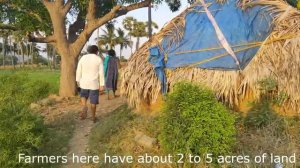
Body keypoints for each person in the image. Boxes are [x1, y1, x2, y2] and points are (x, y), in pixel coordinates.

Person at [76, 45, 104, 123]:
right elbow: (101, 73)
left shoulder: (83, 58)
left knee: (83, 96)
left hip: (83, 82)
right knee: (93, 101)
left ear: (88, 51)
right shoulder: (98, 59)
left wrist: (77, 81)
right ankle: (93, 117)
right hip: (94, 83)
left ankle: (84, 106)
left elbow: (79, 70)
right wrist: (102, 84)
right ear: (97, 51)